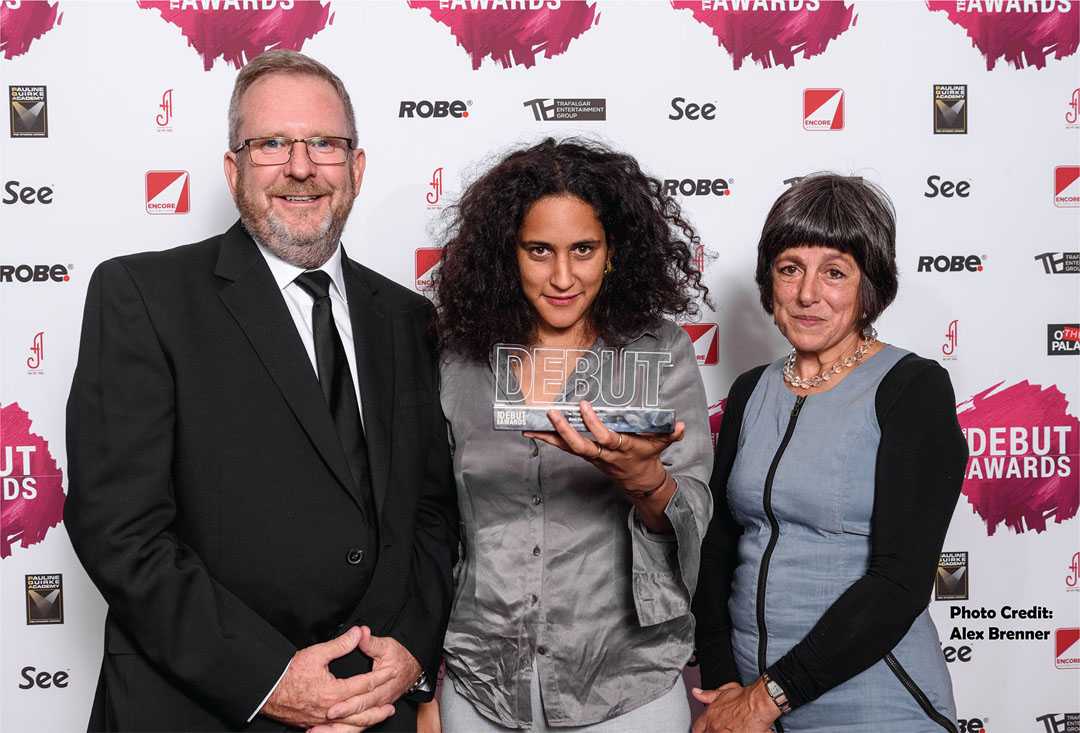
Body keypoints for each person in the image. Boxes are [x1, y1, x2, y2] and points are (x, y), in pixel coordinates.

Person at [65, 50, 458, 733]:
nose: (301, 167)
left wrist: (410, 653)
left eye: (325, 144)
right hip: (199, 709)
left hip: (371, 709)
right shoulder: (143, 296)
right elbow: (119, 530)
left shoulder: (408, 318)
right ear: (233, 170)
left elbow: (431, 513)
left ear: (356, 168)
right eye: (272, 143)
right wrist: (270, 679)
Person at [424, 137, 714, 732]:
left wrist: (645, 480)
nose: (562, 276)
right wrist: (422, 682)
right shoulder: (457, 360)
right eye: (539, 251)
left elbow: (692, 518)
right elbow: (428, 524)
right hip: (482, 681)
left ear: (613, 253)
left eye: (583, 249)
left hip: (624, 682)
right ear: (508, 254)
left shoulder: (657, 350)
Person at [692, 174, 968, 733]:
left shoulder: (912, 388)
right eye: (790, 268)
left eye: (835, 272)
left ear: (871, 286)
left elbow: (900, 582)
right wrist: (726, 688)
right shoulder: (750, 390)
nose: (807, 294)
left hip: (872, 702)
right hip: (746, 703)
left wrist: (766, 699)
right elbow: (717, 547)